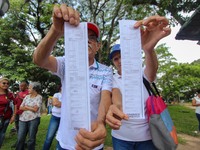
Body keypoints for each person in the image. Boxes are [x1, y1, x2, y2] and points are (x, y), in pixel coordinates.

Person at [33, 3, 112, 150]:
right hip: (65, 142)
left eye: (92, 37)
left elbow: (105, 98)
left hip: (92, 142)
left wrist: (101, 123)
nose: (87, 40)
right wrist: (55, 30)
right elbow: (39, 59)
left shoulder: (106, 71)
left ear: (97, 46)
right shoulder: (66, 63)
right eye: (82, 36)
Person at [106, 16, 171, 150]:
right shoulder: (112, 78)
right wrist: (117, 106)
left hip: (147, 136)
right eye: (115, 59)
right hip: (121, 137)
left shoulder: (141, 72)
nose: (119, 61)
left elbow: (152, 73)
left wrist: (148, 50)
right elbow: (116, 96)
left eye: (122, 56)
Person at [15, 82, 42, 150]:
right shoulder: (26, 97)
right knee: (20, 138)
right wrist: (31, 107)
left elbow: (36, 109)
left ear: (34, 89)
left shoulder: (39, 97)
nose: (28, 89)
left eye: (29, 88)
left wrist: (26, 107)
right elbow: (21, 107)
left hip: (34, 119)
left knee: (31, 138)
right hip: (23, 119)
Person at [43, 85, 62, 150]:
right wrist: (66, 104)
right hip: (55, 118)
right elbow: (55, 103)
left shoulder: (69, 96)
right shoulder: (56, 94)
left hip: (64, 119)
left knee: (61, 138)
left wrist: (60, 103)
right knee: (49, 137)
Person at [11, 81, 29, 148]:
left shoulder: (28, 92)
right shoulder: (19, 93)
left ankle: (23, 142)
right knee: (18, 127)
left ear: (26, 86)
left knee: (23, 129)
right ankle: (19, 141)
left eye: (22, 86)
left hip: (24, 113)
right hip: (17, 112)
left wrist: (20, 98)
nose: (21, 87)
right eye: (20, 86)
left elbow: (28, 102)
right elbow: (15, 103)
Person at [0, 77, 17, 148]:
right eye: (4, 83)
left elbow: (15, 104)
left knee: (2, 133)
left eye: (7, 83)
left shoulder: (10, 94)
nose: (6, 85)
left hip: (6, 117)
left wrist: (14, 116)